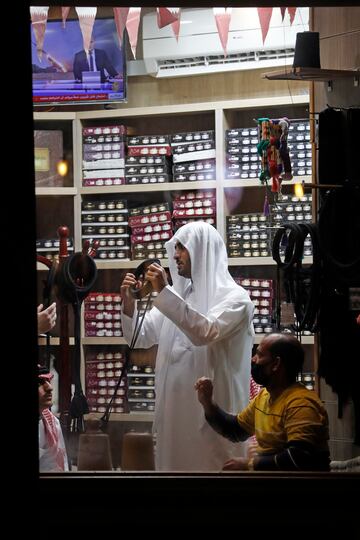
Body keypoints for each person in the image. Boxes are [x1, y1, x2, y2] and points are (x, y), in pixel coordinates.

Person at [121, 221, 255, 471]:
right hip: (175, 417)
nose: (175, 255)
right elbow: (140, 337)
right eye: (175, 247)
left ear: (203, 251)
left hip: (214, 418)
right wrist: (130, 305)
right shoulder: (179, 299)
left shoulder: (236, 299)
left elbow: (205, 331)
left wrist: (164, 292)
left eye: (182, 247)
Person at [195, 333, 331, 471]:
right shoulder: (265, 397)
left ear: (276, 364)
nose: (253, 359)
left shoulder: (301, 404)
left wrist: (249, 464)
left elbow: (298, 458)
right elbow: (236, 430)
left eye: (259, 355)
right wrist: (208, 403)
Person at [38, 364, 69, 472]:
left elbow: (58, 466)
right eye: (40, 383)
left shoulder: (52, 423)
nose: (50, 388)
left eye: (48, 381)